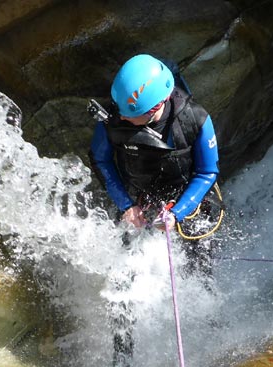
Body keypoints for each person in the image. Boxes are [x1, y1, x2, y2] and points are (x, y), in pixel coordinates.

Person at [88, 54, 221, 366]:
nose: (120, 117)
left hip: (188, 200)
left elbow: (207, 171)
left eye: (127, 114)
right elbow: (101, 160)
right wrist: (126, 206)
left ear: (153, 109)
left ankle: (210, 330)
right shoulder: (113, 119)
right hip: (139, 200)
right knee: (124, 281)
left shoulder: (196, 119)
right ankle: (122, 357)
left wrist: (178, 211)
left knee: (200, 269)